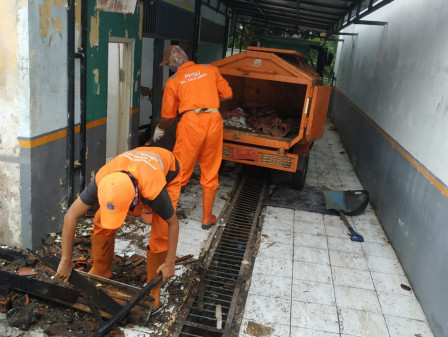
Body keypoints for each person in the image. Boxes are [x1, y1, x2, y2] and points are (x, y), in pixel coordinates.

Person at [55, 147, 181, 314]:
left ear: (132, 201)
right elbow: (70, 215)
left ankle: (153, 287)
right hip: (133, 169)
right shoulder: (102, 179)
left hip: (167, 170)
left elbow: (173, 223)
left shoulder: (154, 190)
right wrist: (65, 259)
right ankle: (102, 268)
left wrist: (170, 262)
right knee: (100, 219)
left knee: (161, 230)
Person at [153, 45, 233, 230]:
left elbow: (168, 116)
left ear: (174, 63)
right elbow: (228, 94)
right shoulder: (210, 69)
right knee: (211, 169)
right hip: (214, 120)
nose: (169, 68)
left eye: (168, 65)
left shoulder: (174, 80)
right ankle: (206, 219)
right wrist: (209, 102)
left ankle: (166, 220)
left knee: (179, 170)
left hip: (191, 123)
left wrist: (159, 129)